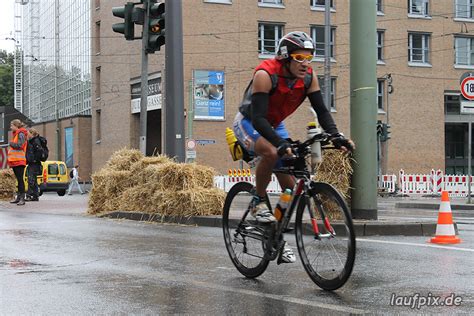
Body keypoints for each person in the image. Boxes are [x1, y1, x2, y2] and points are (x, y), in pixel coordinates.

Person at [232, 31, 355, 263]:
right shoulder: (265, 74)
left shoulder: (309, 77)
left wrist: (336, 136)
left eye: (309, 57)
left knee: (290, 185)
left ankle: (275, 235)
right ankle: (258, 202)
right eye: (299, 57)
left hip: (275, 125)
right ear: (285, 57)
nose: (305, 63)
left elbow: (322, 111)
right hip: (249, 121)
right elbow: (258, 119)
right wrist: (280, 144)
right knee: (270, 152)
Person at [7, 119, 28, 206]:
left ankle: (22, 198)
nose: (11, 127)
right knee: (18, 180)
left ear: (16, 126)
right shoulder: (16, 134)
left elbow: (20, 145)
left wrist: (11, 143)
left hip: (19, 161)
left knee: (20, 180)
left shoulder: (21, 134)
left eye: (12, 126)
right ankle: (19, 197)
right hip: (15, 161)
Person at [25, 128, 43, 201]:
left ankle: (29, 195)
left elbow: (39, 151)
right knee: (34, 180)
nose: (27, 134)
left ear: (31, 133)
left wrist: (34, 159)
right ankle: (35, 196)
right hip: (32, 163)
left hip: (34, 163)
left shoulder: (35, 141)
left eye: (28, 133)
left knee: (30, 179)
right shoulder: (32, 141)